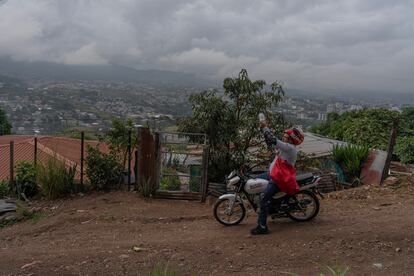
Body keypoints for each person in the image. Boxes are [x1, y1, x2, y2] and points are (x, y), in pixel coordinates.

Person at [250, 120, 304, 235]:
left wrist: (265, 127)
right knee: (252, 180)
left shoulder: (290, 148)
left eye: (286, 136)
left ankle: (262, 226)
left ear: (291, 139)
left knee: (264, 198)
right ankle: (267, 208)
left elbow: (273, 139)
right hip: (272, 173)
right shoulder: (285, 147)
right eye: (284, 136)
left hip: (278, 179)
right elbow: (271, 143)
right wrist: (263, 130)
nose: (283, 137)